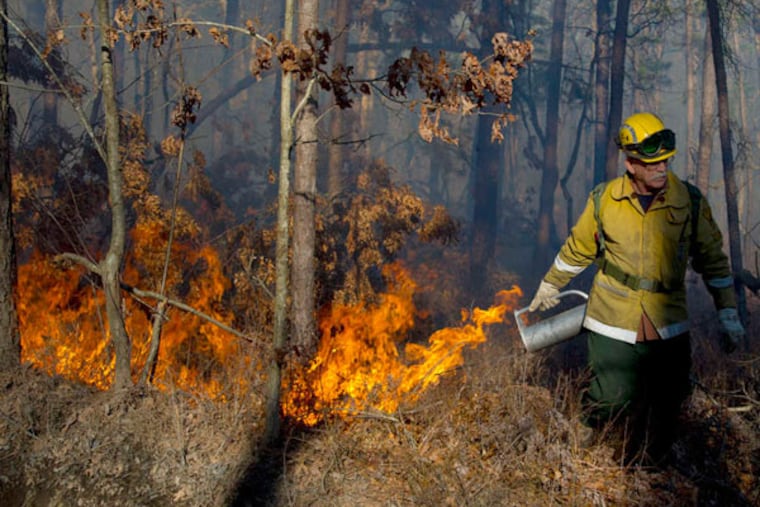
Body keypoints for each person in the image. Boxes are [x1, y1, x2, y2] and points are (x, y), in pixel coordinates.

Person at [528, 111, 746, 465]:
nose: (662, 168)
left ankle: (652, 468)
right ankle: (584, 439)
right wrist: (549, 284)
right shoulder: (604, 200)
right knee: (612, 396)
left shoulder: (688, 201)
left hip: (668, 318)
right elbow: (577, 249)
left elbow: (713, 261)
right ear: (631, 164)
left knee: (671, 397)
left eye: (666, 161)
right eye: (652, 163)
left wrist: (727, 311)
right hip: (612, 314)